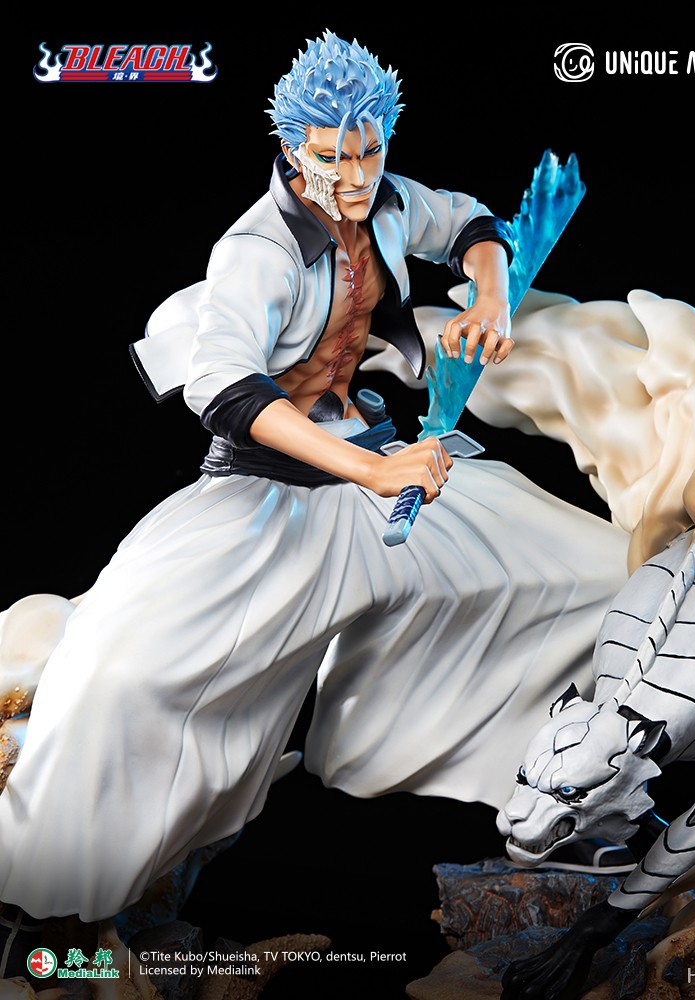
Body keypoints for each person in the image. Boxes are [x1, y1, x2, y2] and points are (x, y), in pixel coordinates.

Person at [0, 31, 629, 946]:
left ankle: (568, 805)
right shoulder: (255, 250)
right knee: (120, 675)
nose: (356, 175)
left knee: (596, 574)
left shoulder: (388, 200)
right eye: (335, 158)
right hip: (265, 501)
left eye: (370, 151)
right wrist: (373, 471)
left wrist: (490, 298)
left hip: (380, 467)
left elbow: (476, 226)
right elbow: (225, 387)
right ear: (295, 150)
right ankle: (40, 902)